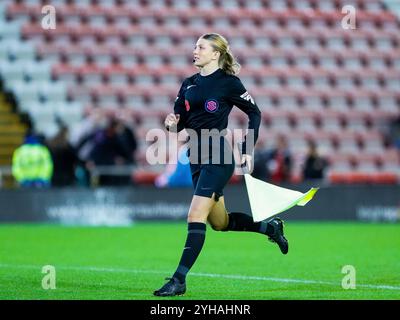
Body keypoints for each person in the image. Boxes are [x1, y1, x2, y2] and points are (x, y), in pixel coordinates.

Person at [153, 33, 289, 297]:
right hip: (196, 156)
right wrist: (170, 125)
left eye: (201, 47)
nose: (195, 50)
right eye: (194, 46)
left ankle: (179, 280)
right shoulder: (188, 84)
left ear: (215, 54)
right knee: (220, 223)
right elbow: (179, 123)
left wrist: (247, 148)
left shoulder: (229, 83)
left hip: (218, 156)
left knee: (195, 215)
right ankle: (270, 227)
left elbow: (254, 112)